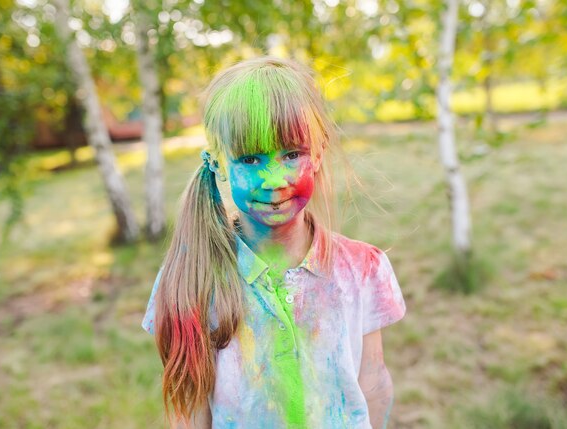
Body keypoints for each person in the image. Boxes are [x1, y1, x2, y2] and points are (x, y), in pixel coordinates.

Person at [141, 56, 406, 429]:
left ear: (318, 154)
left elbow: (374, 381)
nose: (273, 179)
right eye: (250, 158)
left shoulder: (363, 269)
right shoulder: (191, 278)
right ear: (219, 164)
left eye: (292, 154)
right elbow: (190, 410)